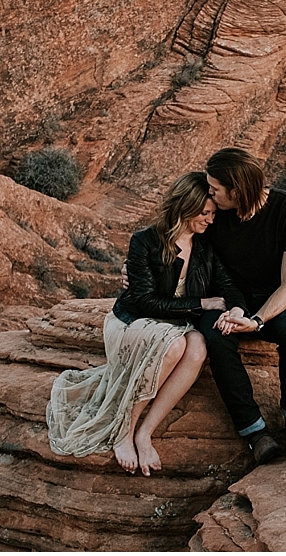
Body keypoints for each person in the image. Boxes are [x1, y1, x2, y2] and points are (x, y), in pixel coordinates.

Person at [46, 172, 247, 476]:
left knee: (197, 348)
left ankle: (145, 432)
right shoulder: (145, 241)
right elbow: (144, 301)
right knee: (176, 345)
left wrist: (236, 310)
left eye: (213, 214)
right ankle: (123, 431)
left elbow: (228, 286)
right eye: (204, 213)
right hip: (133, 321)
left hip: (174, 322)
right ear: (185, 207)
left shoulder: (205, 246)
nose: (210, 220)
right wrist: (203, 304)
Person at [200, 147, 286, 464]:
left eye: (215, 189)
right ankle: (255, 433)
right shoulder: (214, 206)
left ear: (236, 191)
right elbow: (172, 221)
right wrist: (139, 265)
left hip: (271, 296)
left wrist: (258, 320)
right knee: (216, 339)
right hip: (223, 295)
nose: (209, 194)